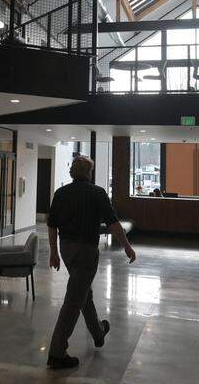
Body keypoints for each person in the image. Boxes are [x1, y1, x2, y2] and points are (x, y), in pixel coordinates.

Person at [46, 155, 135, 370]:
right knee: (74, 300)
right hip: (86, 251)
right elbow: (113, 223)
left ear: (72, 172)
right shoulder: (98, 193)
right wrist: (126, 245)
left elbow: (52, 224)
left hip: (67, 249)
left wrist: (54, 252)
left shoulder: (60, 193)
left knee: (83, 292)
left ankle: (98, 332)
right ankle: (57, 352)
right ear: (89, 172)